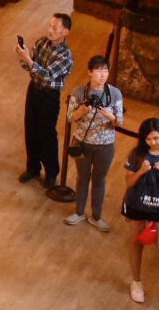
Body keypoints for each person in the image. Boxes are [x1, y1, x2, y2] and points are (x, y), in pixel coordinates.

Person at [122, 118, 159, 305]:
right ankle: (136, 282)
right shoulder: (136, 153)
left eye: (156, 138)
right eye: (148, 139)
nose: (153, 142)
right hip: (136, 204)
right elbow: (129, 182)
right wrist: (141, 171)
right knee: (136, 243)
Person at [63, 55, 123, 231]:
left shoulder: (114, 93)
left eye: (105, 70)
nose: (103, 74)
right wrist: (82, 110)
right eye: (98, 70)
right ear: (90, 72)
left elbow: (120, 121)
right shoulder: (79, 92)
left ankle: (97, 216)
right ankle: (79, 212)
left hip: (105, 145)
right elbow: (70, 118)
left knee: (99, 180)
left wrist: (111, 117)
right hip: (83, 143)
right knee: (82, 178)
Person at [17, 12, 73, 189]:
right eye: (50, 26)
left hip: (49, 95)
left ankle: (51, 173)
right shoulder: (41, 42)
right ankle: (32, 168)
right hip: (34, 89)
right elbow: (31, 68)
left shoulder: (66, 56)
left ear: (65, 32)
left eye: (55, 28)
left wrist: (29, 61)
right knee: (31, 129)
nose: (50, 30)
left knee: (47, 134)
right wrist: (25, 57)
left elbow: (48, 75)